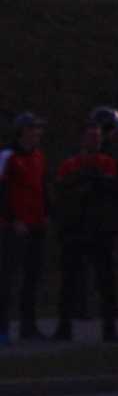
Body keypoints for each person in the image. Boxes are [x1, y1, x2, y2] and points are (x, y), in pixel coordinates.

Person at [55, 115, 118, 342]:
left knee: (106, 280)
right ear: (81, 139)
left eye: (97, 136)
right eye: (91, 136)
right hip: (75, 228)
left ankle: (109, 327)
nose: (95, 140)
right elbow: (62, 193)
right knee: (69, 279)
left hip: (100, 229)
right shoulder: (70, 165)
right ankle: (64, 326)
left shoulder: (108, 163)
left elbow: (113, 190)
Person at [2, 113, 50, 341]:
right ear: (22, 131)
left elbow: (42, 187)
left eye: (38, 128)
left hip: (36, 223)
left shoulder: (39, 156)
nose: (37, 133)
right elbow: (2, 192)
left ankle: (28, 326)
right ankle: (3, 327)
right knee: (8, 277)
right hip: (14, 226)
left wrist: (47, 213)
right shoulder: (8, 156)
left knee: (32, 276)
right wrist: (12, 219)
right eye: (33, 128)